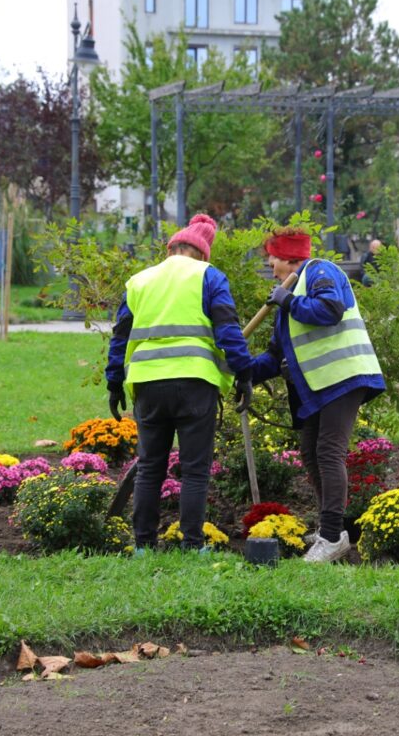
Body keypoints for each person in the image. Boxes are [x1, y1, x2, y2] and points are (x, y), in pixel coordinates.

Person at [105, 214, 254, 551]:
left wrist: (114, 382)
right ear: (202, 254)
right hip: (195, 382)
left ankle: (143, 545)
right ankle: (192, 544)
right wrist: (243, 374)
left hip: (148, 385)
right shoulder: (209, 276)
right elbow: (228, 331)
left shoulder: (139, 281)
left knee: (149, 468)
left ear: (170, 249)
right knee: (195, 470)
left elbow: (120, 336)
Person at [250, 226, 386, 563]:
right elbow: (272, 356)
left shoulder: (319, 270)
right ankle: (334, 531)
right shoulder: (288, 298)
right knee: (311, 452)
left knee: (328, 451)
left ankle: (329, 536)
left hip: (345, 377)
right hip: (320, 387)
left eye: (274, 260)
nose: (270, 266)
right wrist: (240, 371)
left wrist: (289, 300)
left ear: (291, 258)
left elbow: (329, 310)